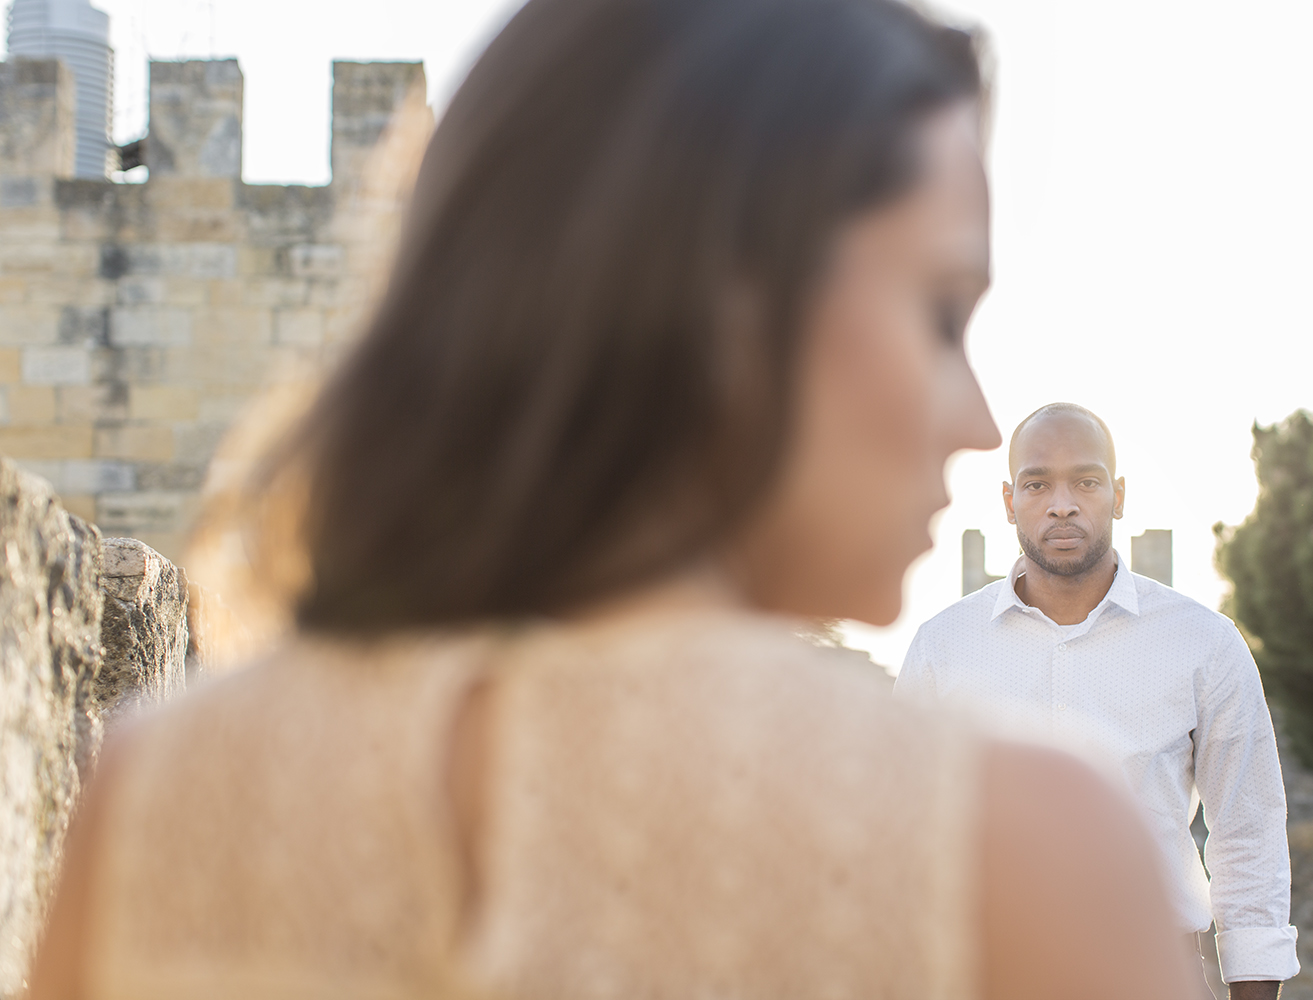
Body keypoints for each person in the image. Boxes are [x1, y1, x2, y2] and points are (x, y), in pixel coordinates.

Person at [32, 4, 1198, 999]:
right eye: (941, 313)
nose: (978, 418)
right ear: (730, 312)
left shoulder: (163, 799)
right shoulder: (1025, 848)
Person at [897, 402, 1299, 1000]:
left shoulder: (1205, 645)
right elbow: (901, 834)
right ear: (1009, 502)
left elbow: (1248, 833)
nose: (1063, 504)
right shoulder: (943, 647)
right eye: (1038, 484)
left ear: (1119, 495)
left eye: (1085, 481)